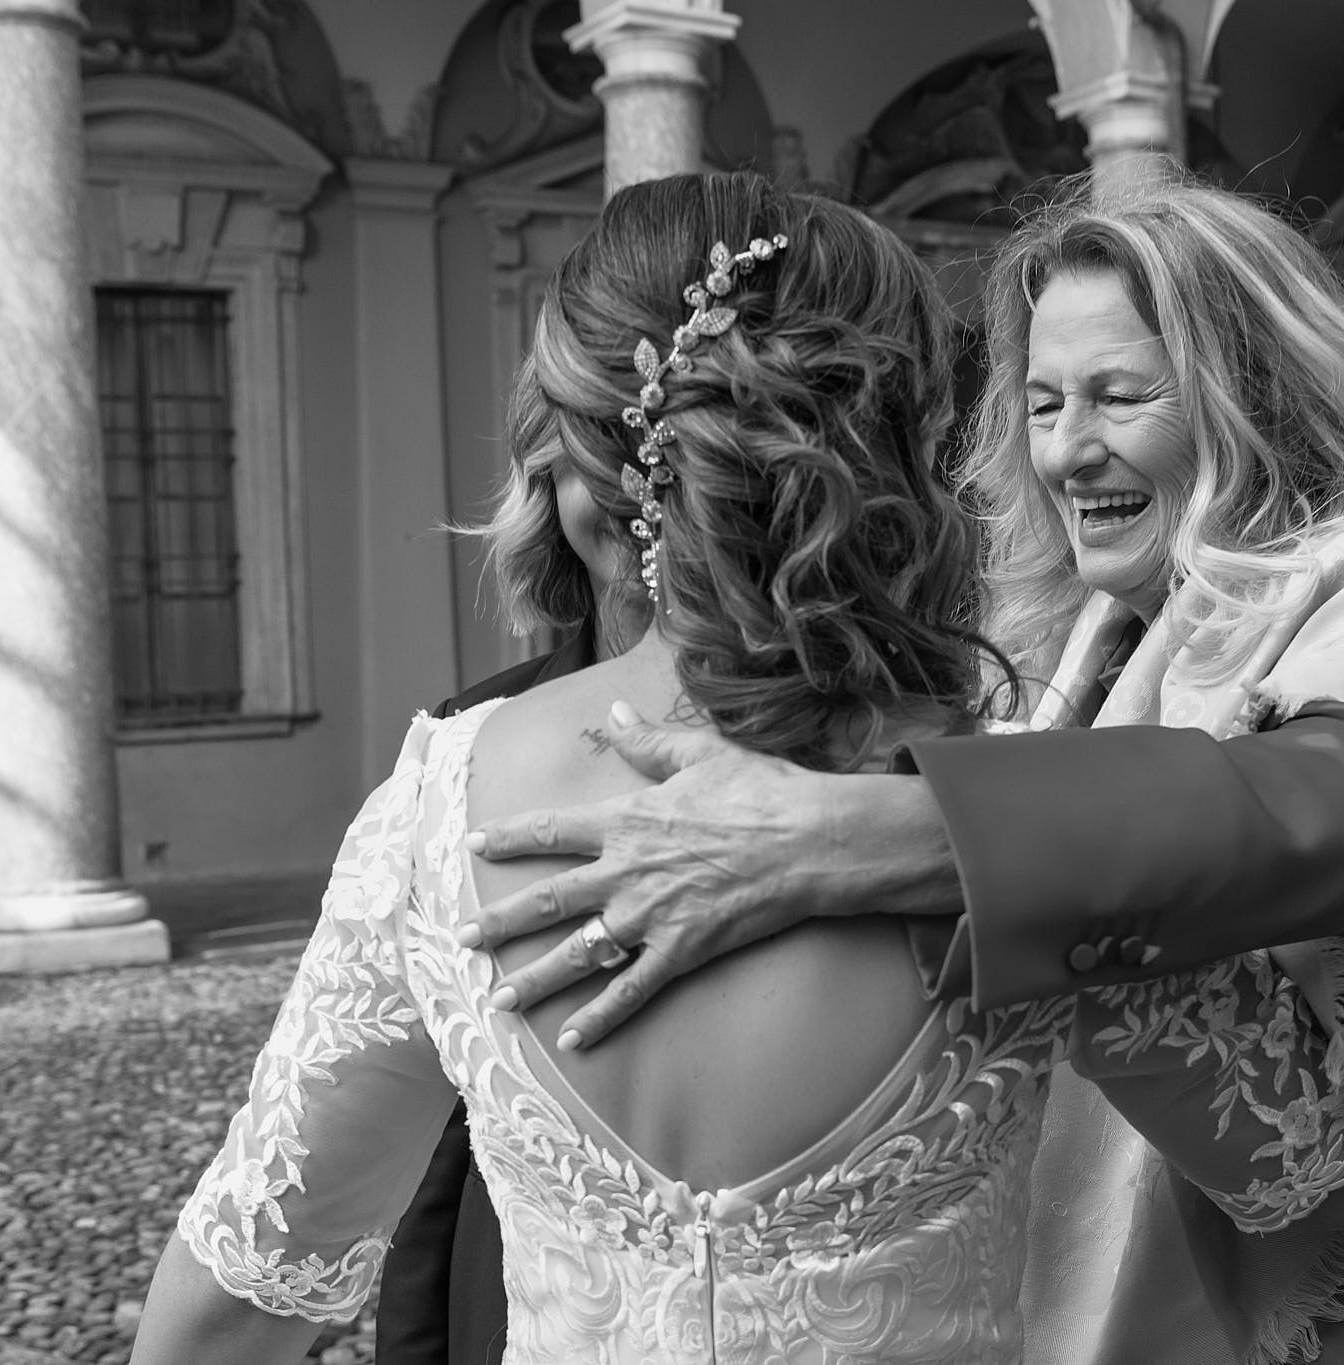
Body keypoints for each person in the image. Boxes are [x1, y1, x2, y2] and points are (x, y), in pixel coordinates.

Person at [453, 167, 1344, 1364]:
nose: (1069, 451)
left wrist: (862, 839)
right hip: (1032, 1272)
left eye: (1119, 396)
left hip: (1246, 1289)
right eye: (1040, 405)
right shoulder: (1067, 624)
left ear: (1259, 393)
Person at [130, 171, 1077, 1365]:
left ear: (594, 466)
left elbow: (231, 1301)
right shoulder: (1052, 823)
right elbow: (1289, 1198)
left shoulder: (447, 796)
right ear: (913, 448)